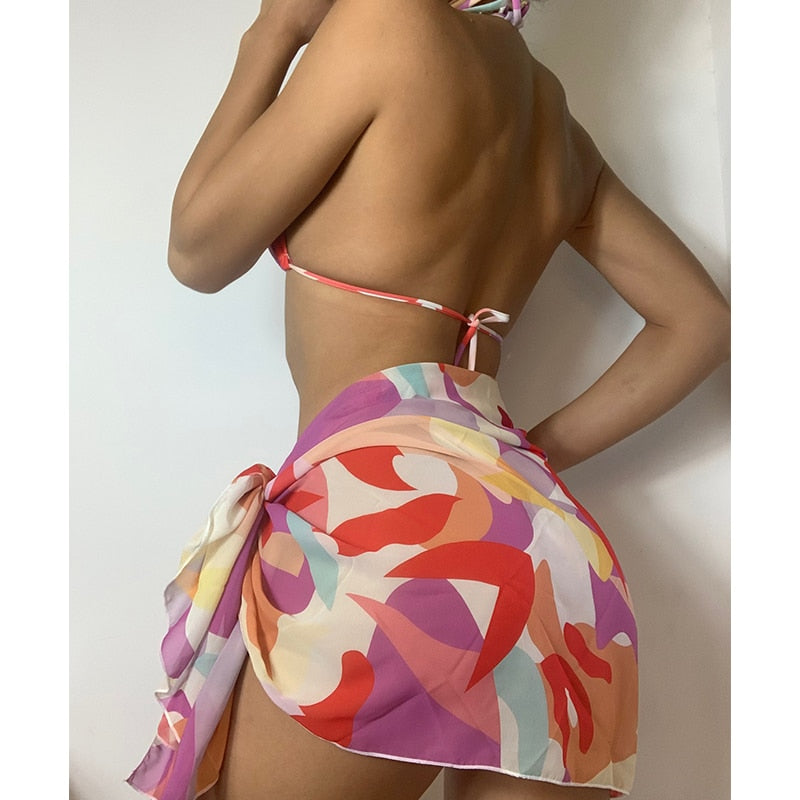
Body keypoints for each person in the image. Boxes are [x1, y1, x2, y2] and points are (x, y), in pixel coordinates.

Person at [127, 1, 731, 799]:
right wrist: (528, 457)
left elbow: (198, 249)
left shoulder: (386, 24)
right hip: (553, 565)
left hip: (387, 533)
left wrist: (274, 30)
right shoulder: (553, 119)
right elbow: (700, 321)